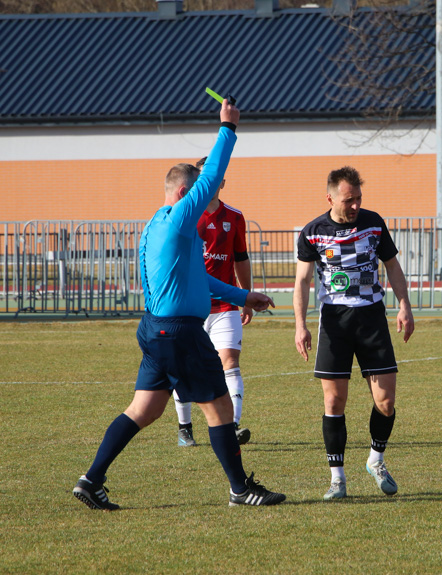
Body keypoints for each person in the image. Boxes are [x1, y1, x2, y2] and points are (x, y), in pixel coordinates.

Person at [72, 99, 285, 510]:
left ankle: (91, 478)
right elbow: (213, 176)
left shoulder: (153, 225)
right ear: (185, 194)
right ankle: (241, 489)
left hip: (154, 329)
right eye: (199, 195)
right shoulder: (180, 217)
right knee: (220, 407)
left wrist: (244, 296)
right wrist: (228, 127)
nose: (207, 199)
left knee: (143, 409)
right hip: (179, 331)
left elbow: (196, 279)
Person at [293, 166, 414, 501]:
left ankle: (376, 460)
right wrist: (300, 324)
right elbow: (302, 282)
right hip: (334, 321)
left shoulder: (374, 223)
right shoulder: (313, 232)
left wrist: (404, 305)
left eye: (359, 198)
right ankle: (337, 478)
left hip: (372, 317)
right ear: (330, 197)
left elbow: (392, 266)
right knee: (334, 400)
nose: (355, 205)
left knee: (386, 401)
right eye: (349, 200)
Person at [173, 155, 253, 448]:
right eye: (206, 174)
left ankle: (232, 426)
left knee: (229, 361)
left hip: (225, 306)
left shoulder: (235, 217)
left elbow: (241, 259)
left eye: (217, 174)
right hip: (188, 307)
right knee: (184, 366)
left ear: (222, 181)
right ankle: (185, 427)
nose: (212, 179)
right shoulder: (184, 215)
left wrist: (246, 296)